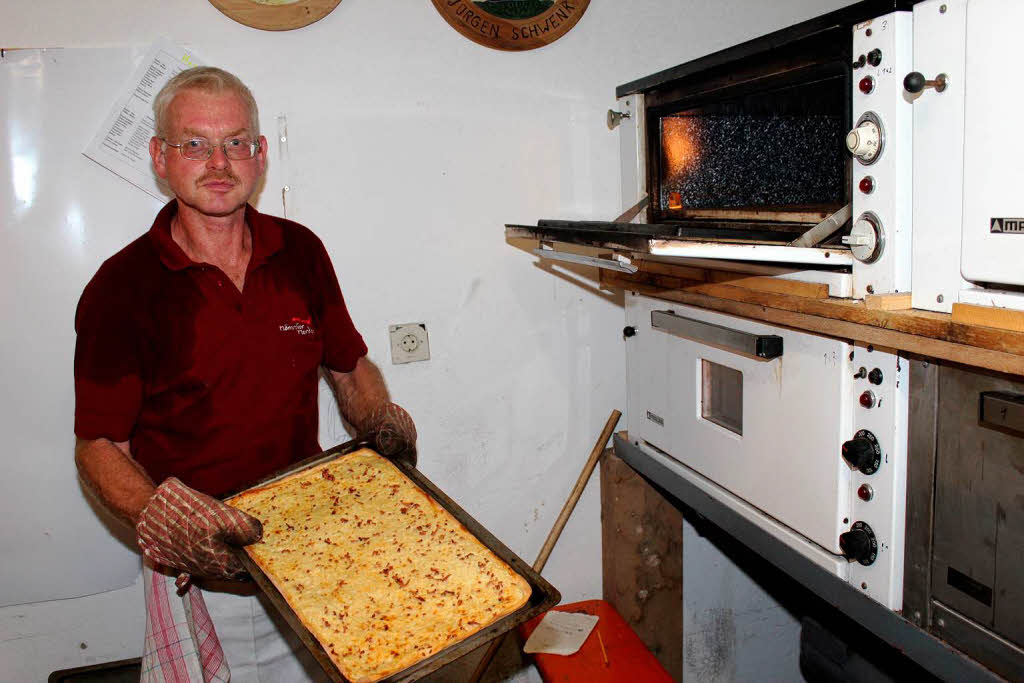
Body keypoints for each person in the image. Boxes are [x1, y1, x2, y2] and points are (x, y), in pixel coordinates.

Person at [73, 66, 416, 682]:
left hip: (311, 551)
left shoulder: (301, 251)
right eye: (194, 144)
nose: (218, 162)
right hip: (200, 578)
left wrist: (376, 417)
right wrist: (162, 516)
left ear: (259, 155)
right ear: (160, 157)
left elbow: (347, 365)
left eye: (235, 142)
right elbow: (98, 446)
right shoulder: (120, 288)